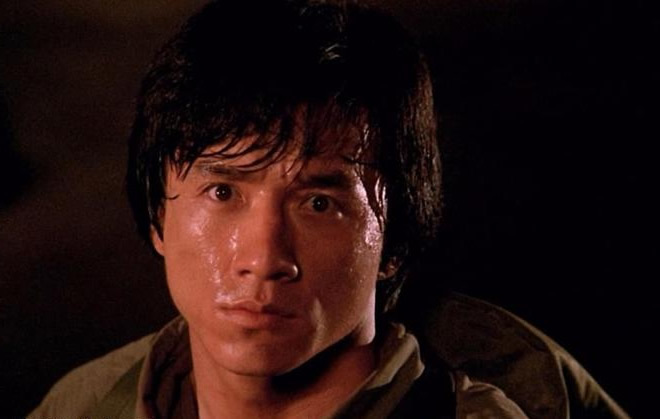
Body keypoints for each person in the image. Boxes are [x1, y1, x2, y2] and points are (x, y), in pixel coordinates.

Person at [29, 0, 629, 418]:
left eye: (319, 203)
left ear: (393, 241)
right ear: (159, 215)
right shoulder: (85, 405)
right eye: (223, 192)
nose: (264, 258)